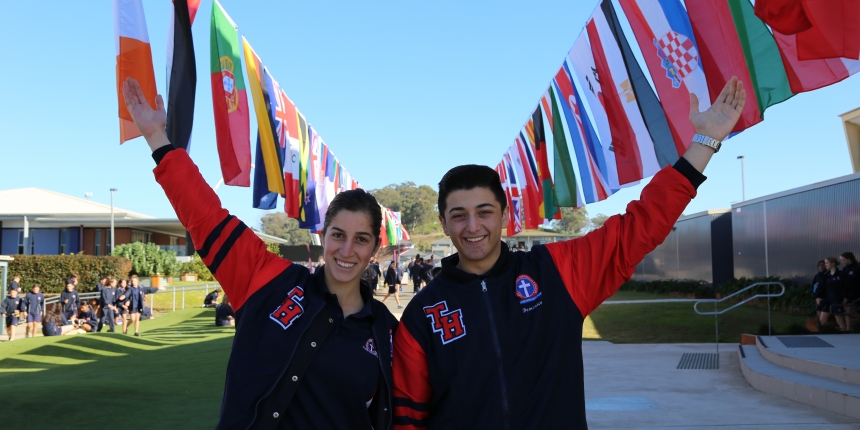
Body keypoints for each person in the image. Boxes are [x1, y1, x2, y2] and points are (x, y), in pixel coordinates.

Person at [391, 78, 746, 428]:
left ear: (504, 214)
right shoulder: (424, 313)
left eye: (484, 212)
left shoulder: (556, 270)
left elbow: (639, 227)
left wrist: (705, 142)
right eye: (459, 216)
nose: (472, 227)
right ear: (443, 222)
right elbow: (408, 417)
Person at [122, 76, 399, 429]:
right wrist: (156, 138)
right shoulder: (267, 278)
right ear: (322, 236)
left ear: (375, 248)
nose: (347, 250)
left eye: (361, 239)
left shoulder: (388, 332)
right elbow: (206, 216)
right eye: (338, 235)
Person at [839, 252, 859, 329]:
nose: (842, 262)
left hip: (854, 293)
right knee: (846, 311)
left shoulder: (856, 268)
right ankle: (848, 328)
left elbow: (855, 284)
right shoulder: (845, 269)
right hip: (846, 293)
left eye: (843, 260)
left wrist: (848, 295)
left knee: (851, 310)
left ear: (849, 259)